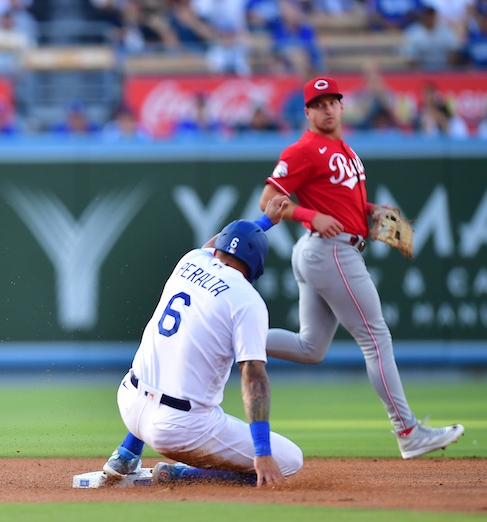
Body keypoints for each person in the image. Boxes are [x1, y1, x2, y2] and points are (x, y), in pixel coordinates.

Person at [257, 76, 464, 459]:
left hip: (325, 249)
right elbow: (268, 199)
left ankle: (228, 337)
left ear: (341, 105)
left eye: (332, 101)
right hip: (329, 250)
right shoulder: (304, 149)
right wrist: (309, 215)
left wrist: (371, 212)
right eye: (318, 104)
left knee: (311, 348)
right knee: (376, 338)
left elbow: (343, 206)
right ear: (306, 112)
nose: (327, 108)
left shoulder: (347, 151)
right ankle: (408, 432)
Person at [103, 195, 304, 488]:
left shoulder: (191, 260)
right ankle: (182, 476)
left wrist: (264, 222)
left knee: (169, 362)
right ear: (256, 265)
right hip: (178, 428)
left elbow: (215, 244)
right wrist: (261, 453)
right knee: (290, 459)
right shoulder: (247, 301)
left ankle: (127, 453)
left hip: (128, 401)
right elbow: (253, 376)